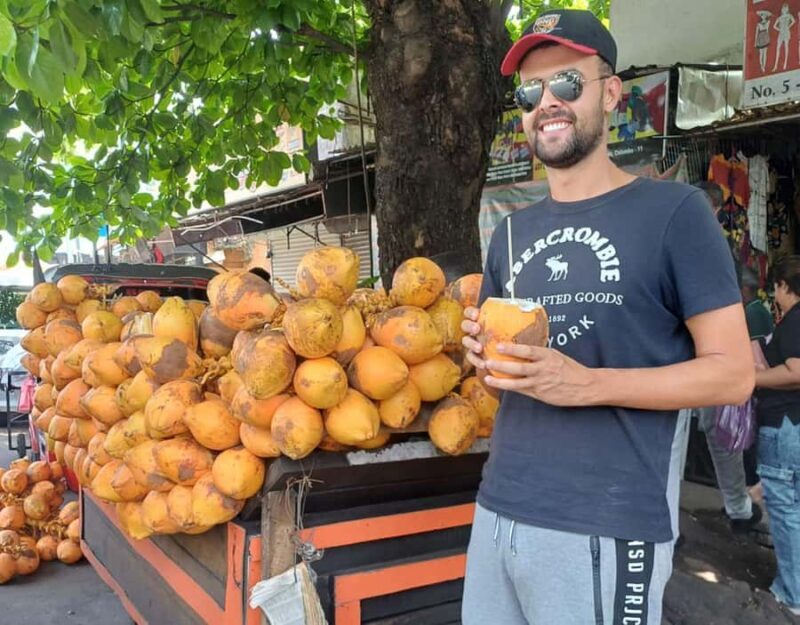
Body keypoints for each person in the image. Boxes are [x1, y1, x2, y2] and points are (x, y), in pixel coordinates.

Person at [460, 9, 754, 625]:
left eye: (567, 83)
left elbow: (732, 375)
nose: (548, 103)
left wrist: (588, 385)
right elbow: (503, 382)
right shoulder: (511, 233)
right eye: (530, 91)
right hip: (498, 511)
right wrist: (483, 360)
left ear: (612, 92)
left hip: (605, 521)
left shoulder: (676, 212)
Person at [754, 255, 800, 616]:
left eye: (777, 288)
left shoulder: (796, 321)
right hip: (792, 424)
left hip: (784, 422)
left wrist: (751, 377)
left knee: (785, 510)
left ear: (786, 287)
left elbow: (795, 372)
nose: (775, 295)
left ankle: (791, 593)